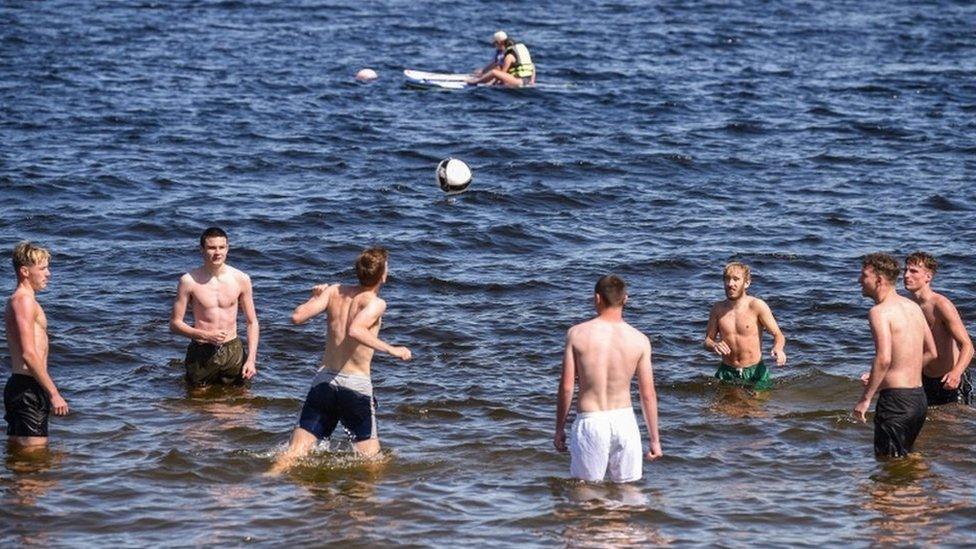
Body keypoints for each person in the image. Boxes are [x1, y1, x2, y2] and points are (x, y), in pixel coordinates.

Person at [271, 248, 411, 473]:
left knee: (294, 453)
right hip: (355, 386)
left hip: (324, 381)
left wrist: (314, 298)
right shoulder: (376, 303)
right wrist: (393, 350)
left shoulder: (334, 291)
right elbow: (356, 330)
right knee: (372, 462)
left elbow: (297, 317)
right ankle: (363, 508)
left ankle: (265, 486)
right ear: (383, 274)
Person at [554, 275, 662, 483]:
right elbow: (647, 394)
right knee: (628, 494)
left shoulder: (577, 334)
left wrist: (559, 429)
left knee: (586, 494)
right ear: (625, 299)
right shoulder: (640, 340)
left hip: (591, 421)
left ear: (597, 298)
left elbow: (567, 387)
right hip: (625, 422)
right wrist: (655, 439)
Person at [854, 253, 936, 458]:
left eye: (864, 276)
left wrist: (866, 399)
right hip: (918, 399)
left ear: (879, 280)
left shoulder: (879, 312)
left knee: (888, 466)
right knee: (906, 457)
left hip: (896, 403)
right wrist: (895, 374)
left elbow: (884, 358)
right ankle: (921, 489)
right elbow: (932, 352)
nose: (859, 280)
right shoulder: (913, 307)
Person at [170, 227, 258, 388]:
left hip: (233, 350)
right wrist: (204, 335)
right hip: (201, 350)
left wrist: (251, 359)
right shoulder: (188, 281)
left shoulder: (241, 279)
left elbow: (252, 322)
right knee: (197, 403)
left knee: (241, 402)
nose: (217, 252)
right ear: (202, 250)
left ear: (227, 248)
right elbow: (175, 324)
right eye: (211, 248)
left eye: (221, 247)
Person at [4, 241, 68, 448]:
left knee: (22, 459)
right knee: (35, 464)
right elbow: (29, 354)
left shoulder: (21, 299)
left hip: (24, 386)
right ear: (24, 271)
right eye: (42, 268)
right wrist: (54, 393)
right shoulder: (23, 301)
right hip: (27, 388)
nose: (48, 274)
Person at [903, 252, 974, 406]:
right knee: (930, 426)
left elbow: (968, 346)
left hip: (950, 379)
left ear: (928, 277)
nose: (906, 275)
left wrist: (956, 373)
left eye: (913, 271)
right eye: (905, 270)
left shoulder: (941, 305)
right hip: (924, 379)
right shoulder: (907, 306)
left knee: (957, 426)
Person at [703, 262, 787, 391]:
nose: (730, 284)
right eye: (727, 279)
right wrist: (714, 345)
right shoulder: (717, 309)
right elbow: (707, 341)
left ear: (746, 283)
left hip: (755, 372)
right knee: (723, 410)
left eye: (736, 279)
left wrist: (778, 349)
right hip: (727, 371)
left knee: (757, 409)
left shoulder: (757, 306)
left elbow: (778, 334)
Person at [467, 31, 536, 88]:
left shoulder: (509, 56)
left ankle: (474, 82)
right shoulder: (517, 50)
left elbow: (502, 74)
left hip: (519, 81)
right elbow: (532, 65)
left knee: (494, 72)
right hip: (526, 80)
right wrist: (532, 81)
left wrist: (492, 84)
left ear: (500, 43)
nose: (494, 46)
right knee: (496, 69)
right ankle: (481, 77)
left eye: (495, 44)